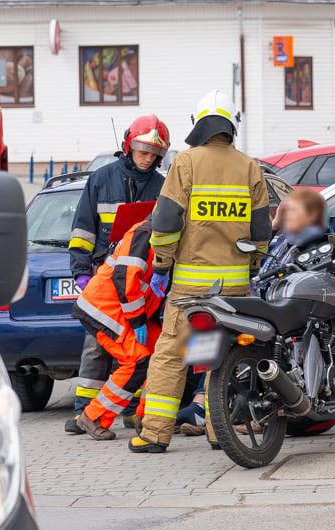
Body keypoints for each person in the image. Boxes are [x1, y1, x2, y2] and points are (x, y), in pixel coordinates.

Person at [129, 89, 272, 453]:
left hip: (191, 286)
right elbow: (260, 228)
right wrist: (253, 261)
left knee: (174, 355)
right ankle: (217, 430)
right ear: (230, 124)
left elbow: (166, 219)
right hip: (236, 287)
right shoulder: (249, 165)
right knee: (222, 356)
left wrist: (162, 261)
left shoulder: (186, 162)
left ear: (198, 123)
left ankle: (155, 434)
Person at [65, 115, 169, 434]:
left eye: (153, 153)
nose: (147, 158)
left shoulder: (161, 185)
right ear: (128, 145)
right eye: (141, 150)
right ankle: (86, 409)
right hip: (105, 274)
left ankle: (127, 410)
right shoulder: (101, 179)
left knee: (137, 351)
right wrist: (81, 272)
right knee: (98, 347)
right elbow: (83, 230)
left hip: (136, 277)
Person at [71, 217, 164, 440]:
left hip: (130, 311)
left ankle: (148, 418)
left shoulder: (162, 232)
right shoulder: (145, 233)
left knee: (162, 354)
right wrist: (138, 321)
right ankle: (93, 416)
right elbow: (125, 278)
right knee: (136, 362)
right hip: (106, 309)